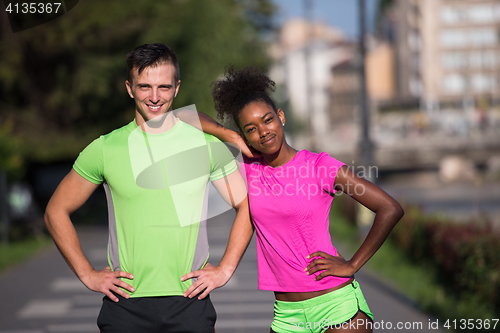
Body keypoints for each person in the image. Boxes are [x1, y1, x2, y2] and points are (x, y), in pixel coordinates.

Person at [44, 44, 253, 333]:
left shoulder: (206, 146)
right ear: (130, 88)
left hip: (190, 303)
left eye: (164, 87)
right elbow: (56, 211)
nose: (154, 97)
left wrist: (225, 269)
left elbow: (246, 206)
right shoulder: (105, 149)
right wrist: (87, 274)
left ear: (176, 88)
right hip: (124, 306)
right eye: (145, 86)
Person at [181, 66, 404, 333]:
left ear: (281, 117)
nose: (263, 132)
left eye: (267, 120)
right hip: (287, 315)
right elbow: (182, 116)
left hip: (337, 306)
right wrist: (228, 135)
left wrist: (352, 264)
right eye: (251, 128)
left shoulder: (320, 166)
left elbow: (389, 208)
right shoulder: (248, 169)